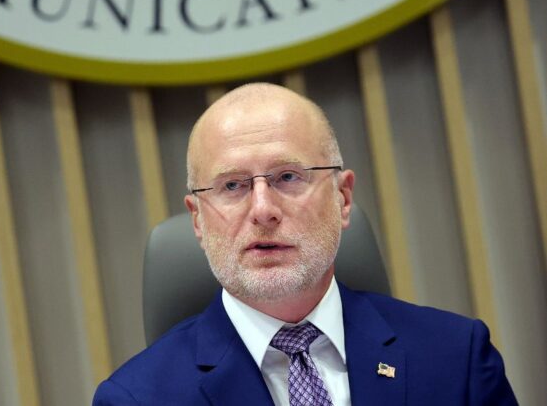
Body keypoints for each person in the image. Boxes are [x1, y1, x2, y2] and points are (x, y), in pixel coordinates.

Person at [92, 83, 516, 405]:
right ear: (198, 220)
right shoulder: (135, 398)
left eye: (288, 177)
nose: (262, 209)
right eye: (233, 185)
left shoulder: (456, 358)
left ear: (343, 198)